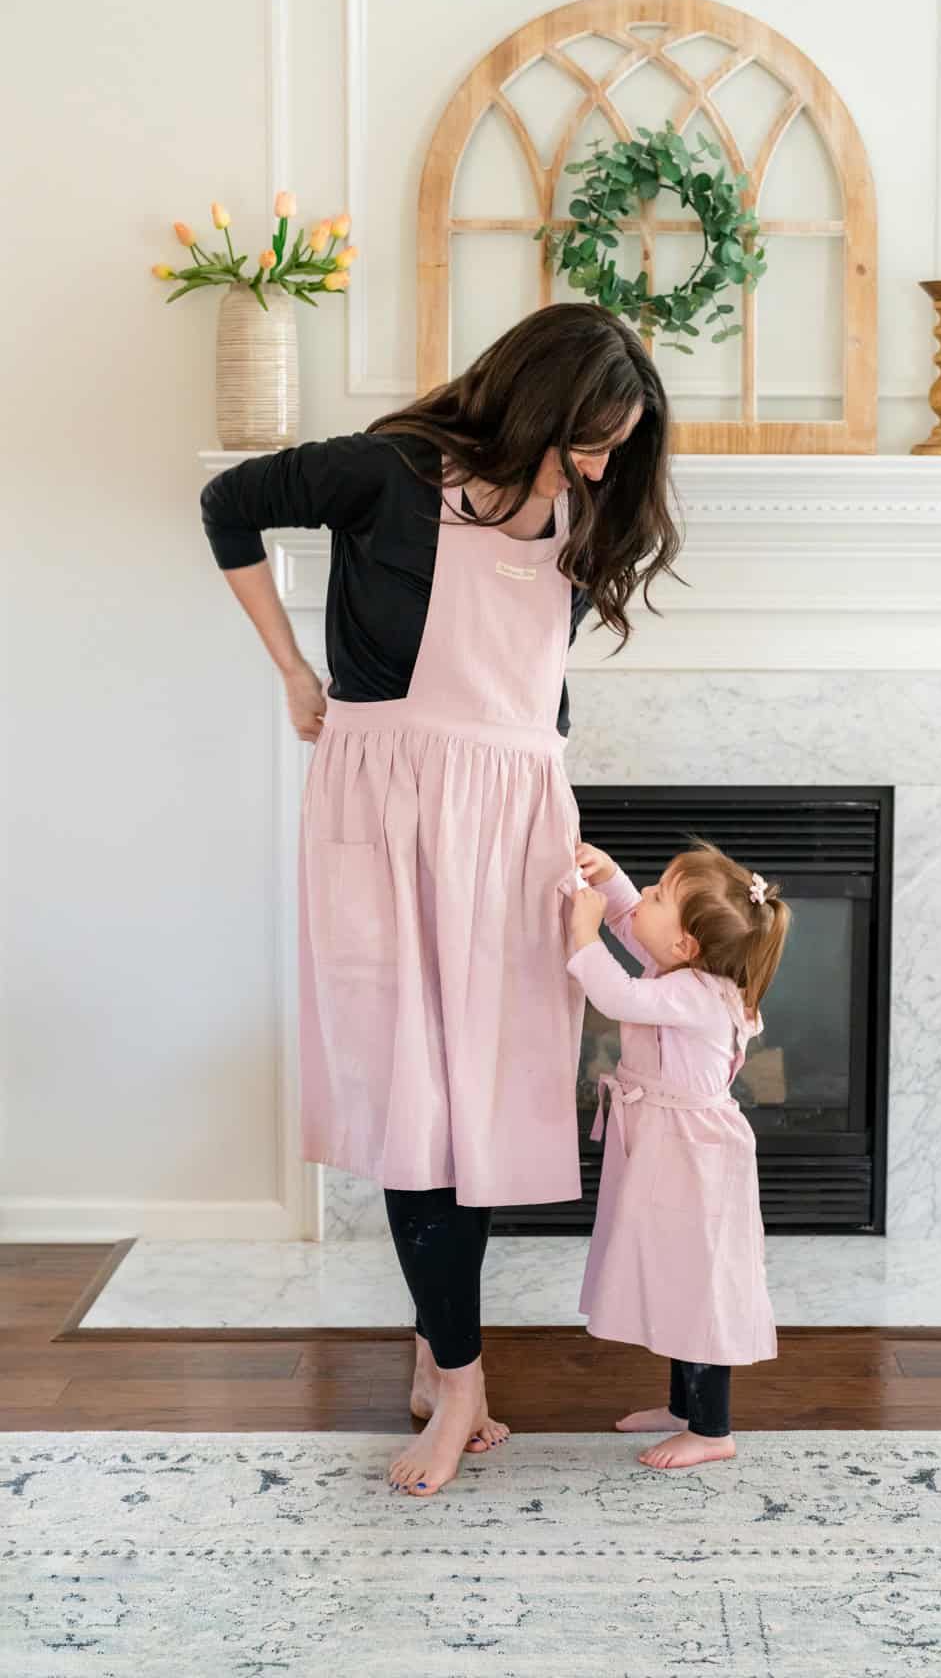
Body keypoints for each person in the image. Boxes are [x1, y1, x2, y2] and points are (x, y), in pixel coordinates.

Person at [200, 303, 678, 1496]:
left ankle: (436, 1355)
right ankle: (461, 1379)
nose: (603, 465)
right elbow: (228, 504)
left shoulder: (580, 504)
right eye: (590, 438)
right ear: (534, 403)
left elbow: (539, 704)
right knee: (415, 1102)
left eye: (618, 445)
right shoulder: (389, 472)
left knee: (491, 1106)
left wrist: (565, 833)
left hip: (515, 818)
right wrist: (296, 675)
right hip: (387, 809)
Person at [567, 838, 790, 1470]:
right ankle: (683, 1406)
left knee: (697, 1286)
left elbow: (615, 997)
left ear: (688, 945)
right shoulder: (685, 969)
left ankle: (712, 1429)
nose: (645, 898)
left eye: (659, 894)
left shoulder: (694, 993)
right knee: (673, 1277)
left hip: (693, 1157)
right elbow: (631, 923)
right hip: (668, 1147)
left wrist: (581, 936)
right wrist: (611, 879)